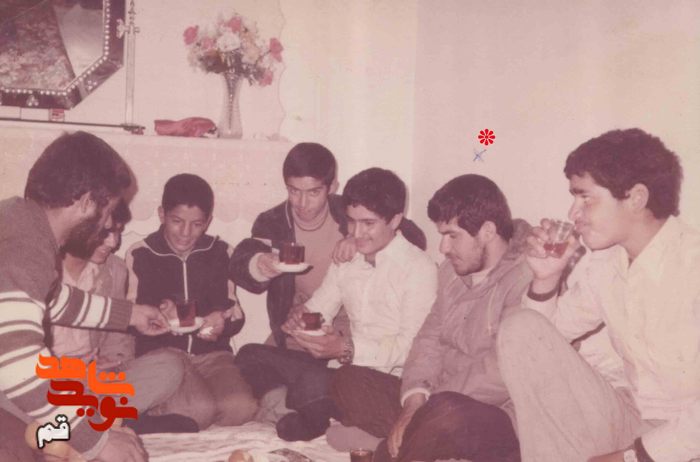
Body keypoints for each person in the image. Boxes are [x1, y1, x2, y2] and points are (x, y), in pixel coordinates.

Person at [497, 128, 700, 462]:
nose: (572, 213)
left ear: (636, 198)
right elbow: (543, 344)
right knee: (519, 328)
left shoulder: (692, 265)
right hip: (632, 420)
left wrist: (632, 457)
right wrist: (547, 278)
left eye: (585, 198)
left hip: (683, 443)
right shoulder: (606, 264)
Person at [330, 174, 531, 462]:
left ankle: (394, 448)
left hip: (488, 413)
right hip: (435, 400)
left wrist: (427, 406)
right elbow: (428, 340)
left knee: (446, 413)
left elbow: (501, 372)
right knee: (348, 379)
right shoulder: (451, 271)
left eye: (452, 236)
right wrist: (414, 400)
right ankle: (417, 442)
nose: (443, 248)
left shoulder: (524, 279)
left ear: (487, 231)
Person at [0, 131, 169, 462]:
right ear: (87, 202)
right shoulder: (26, 246)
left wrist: (131, 315)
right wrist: (98, 441)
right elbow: (16, 364)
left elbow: (53, 300)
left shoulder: (18, 218)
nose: (107, 225)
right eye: (108, 212)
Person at [235, 167, 437, 442]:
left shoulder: (419, 268)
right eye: (351, 222)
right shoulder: (348, 258)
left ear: (395, 220)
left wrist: (346, 349)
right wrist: (301, 320)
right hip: (343, 370)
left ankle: (310, 414)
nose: (357, 233)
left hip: (386, 380)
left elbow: (412, 350)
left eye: (368, 223)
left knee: (328, 381)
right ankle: (298, 407)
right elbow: (320, 308)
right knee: (249, 354)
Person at [229, 143, 427, 350]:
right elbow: (241, 263)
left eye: (313, 192)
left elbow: (414, 236)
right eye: (294, 191)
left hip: (354, 325)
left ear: (332, 187)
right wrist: (260, 264)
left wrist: (356, 238)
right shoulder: (273, 221)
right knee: (251, 356)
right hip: (306, 320)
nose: (302, 203)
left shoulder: (351, 210)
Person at [52, 200, 198, 434]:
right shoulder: (40, 266)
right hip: (48, 378)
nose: (113, 243)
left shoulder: (114, 269)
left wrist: (113, 363)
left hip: (94, 380)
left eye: (118, 232)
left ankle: (92, 421)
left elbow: (117, 334)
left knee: (169, 365)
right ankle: (112, 420)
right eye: (104, 233)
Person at [126, 173, 256, 428]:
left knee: (241, 408)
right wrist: (160, 312)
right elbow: (130, 316)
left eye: (196, 224)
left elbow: (235, 311)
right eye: (177, 221)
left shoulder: (220, 252)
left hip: (213, 355)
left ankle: (195, 405)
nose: (185, 233)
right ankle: (158, 410)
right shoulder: (141, 253)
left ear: (207, 222)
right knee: (197, 412)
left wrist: (222, 322)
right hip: (165, 356)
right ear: (162, 214)